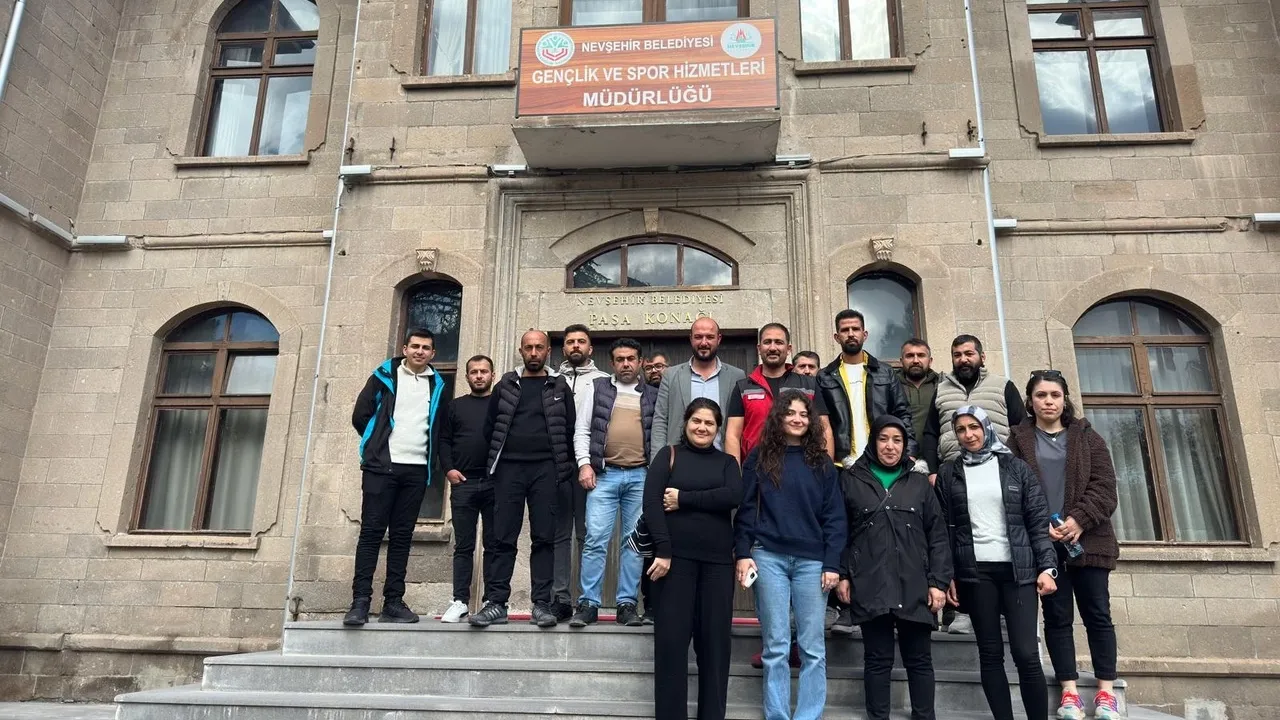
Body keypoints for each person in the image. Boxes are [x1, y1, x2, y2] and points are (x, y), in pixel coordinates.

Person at [1009, 371, 1121, 720]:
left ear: (1064, 399)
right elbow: (1012, 489)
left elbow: (1105, 487)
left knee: (1098, 615)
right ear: (1030, 402)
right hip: (1045, 547)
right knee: (1057, 619)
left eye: (1054, 395)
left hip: (1089, 541)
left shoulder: (1087, 437)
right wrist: (1038, 523)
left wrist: (1078, 520)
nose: (1048, 401)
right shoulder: (1017, 441)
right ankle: (1069, 692)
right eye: (1041, 395)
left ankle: (1106, 693)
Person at [935, 405, 1058, 720]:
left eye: (974, 427)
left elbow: (1037, 521)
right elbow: (944, 530)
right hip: (976, 573)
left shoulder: (1016, 468)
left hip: (1018, 571)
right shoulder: (949, 473)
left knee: (1026, 653)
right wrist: (947, 576)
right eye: (961, 429)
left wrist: (1047, 567)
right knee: (990, 654)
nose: (968, 435)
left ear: (986, 427)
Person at [735, 394, 846, 720]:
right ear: (778, 418)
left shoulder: (822, 463)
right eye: (790, 413)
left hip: (812, 562)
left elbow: (835, 517)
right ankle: (778, 715)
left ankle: (809, 715)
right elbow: (745, 511)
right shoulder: (759, 457)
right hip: (768, 557)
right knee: (776, 645)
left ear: (811, 421)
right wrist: (742, 553)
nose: (797, 419)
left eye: (803, 414)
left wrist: (832, 562)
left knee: (813, 647)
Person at [838, 415, 951, 720]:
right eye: (883, 439)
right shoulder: (851, 480)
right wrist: (843, 573)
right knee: (877, 659)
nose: (890, 446)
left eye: (897, 440)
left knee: (919, 660)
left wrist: (938, 582)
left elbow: (938, 536)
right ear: (873, 442)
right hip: (871, 581)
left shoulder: (919, 483)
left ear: (905, 445)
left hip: (915, 583)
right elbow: (841, 531)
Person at [470, 330, 576, 629]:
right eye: (528, 347)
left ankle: (541, 604)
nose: (533, 353)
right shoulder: (505, 384)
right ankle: (496, 603)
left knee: (544, 538)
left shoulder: (559, 385)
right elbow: (490, 427)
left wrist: (562, 467)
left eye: (539, 347)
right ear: (521, 351)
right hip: (509, 470)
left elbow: (569, 428)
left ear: (548, 351)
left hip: (546, 470)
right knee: (502, 537)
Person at [816, 309, 914, 634]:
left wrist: (908, 454)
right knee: (844, 533)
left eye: (855, 329)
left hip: (881, 465)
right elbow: (823, 424)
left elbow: (902, 415)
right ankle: (845, 607)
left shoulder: (885, 373)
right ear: (836, 336)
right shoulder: (826, 376)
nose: (851, 334)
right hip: (843, 465)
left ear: (865, 334)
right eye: (844, 330)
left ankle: (891, 605)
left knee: (885, 534)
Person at [344, 328, 450, 626]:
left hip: (416, 470)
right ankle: (360, 602)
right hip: (381, 468)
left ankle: (393, 602)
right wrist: (376, 444)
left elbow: (439, 425)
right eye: (415, 346)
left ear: (432, 354)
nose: (420, 351)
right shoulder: (384, 376)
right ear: (405, 349)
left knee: (402, 537)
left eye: (426, 348)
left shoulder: (437, 384)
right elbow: (360, 415)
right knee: (371, 533)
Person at [646, 398, 742, 720]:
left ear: (718, 429)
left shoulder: (727, 463)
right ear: (686, 422)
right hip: (674, 565)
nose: (702, 427)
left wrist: (683, 498)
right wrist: (663, 550)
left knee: (715, 650)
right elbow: (652, 504)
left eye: (709, 423)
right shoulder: (668, 456)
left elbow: (733, 495)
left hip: (718, 567)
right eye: (696, 421)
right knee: (671, 648)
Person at [924, 334, 1025, 635]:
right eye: (957, 354)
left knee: (998, 536)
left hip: (997, 473)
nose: (963, 359)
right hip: (954, 474)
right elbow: (930, 432)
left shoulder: (1003, 386)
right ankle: (960, 610)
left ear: (982, 356)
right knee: (957, 539)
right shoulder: (941, 389)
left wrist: (1016, 469)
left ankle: (1003, 609)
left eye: (969, 353)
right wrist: (932, 470)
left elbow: (1021, 429)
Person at [571, 338, 657, 627]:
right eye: (620, 359)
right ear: (612, 363)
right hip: (604, 476)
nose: (626, 364)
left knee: (634, 543)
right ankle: (588, 604)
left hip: (640, 476)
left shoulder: (652, 394)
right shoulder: (597, 389)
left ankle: (626, 605)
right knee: (595, 540)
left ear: (641, 362)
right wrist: (584, 464)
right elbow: (582, 430)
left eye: (631, 359)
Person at [553, 325, 609, 620]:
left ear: (591, 348)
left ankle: (588, 600)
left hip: (590, 465)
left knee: (589, 534)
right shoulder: (552, 380)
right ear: (563, 348)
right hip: (558, 465)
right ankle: (560, 598)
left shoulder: (604, 381)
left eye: (581, 341)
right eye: (570, 342)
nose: (576, 346)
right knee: (559, 533)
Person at [437, 355, 496, 623]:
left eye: (484, 371)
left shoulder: (501, 406)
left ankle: (492, 600)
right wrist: (448, 469)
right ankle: (460, 601)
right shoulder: (455, 407)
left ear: (493, 375)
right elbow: (443, 440)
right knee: (463, 546)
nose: (479, 376)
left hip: (495, 483)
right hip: (463, 484)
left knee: (494, 545)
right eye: (474, 372)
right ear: (467, 376)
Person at [725, 323, 833, 464]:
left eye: (779, 342)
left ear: (789, 349)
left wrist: (827, 470)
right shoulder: (743, 388)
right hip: (755, 467)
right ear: (759, 348)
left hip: (803, 467)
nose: (772, 348)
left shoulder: (809, 385)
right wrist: (735, 473)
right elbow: (732, 436)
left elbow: (825, 430)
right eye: (767, 342)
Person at [651, 317, 745, 457]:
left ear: (719, 339)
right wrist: (658, 461)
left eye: (710, 337)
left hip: (721, 459)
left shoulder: (736, 376)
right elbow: (660, 420)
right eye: (698, 337)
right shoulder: (671, 375)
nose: (704, 342)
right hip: (679, 460)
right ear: (691, 339)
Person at [895, 338, 939, 463]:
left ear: (930, 361)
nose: (915, 360)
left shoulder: (942, 385)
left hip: (936, 460)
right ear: (901, 361)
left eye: (921, 355)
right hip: (901, 459)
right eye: (909, 356)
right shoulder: (891, 387)